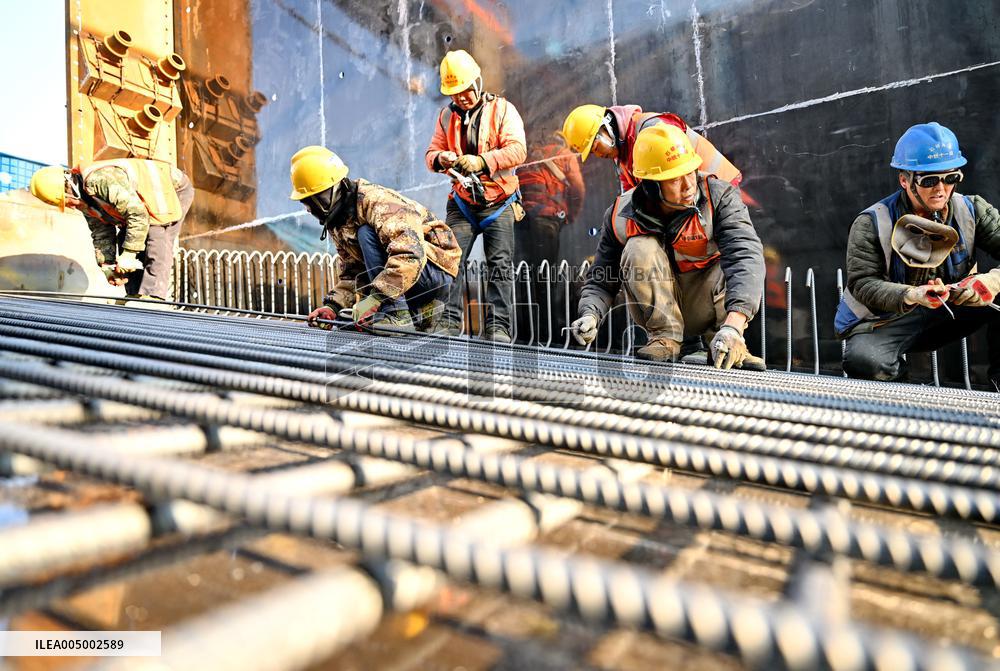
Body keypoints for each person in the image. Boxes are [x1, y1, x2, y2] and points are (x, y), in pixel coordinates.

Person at [569, 125, 765, 369]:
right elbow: (601, 278)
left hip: (712, 311)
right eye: (674, 179)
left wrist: (734, 327)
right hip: (660, 312)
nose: (688, 186)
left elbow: (745, 254)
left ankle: (724, 342)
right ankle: (666, 340)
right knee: (638, 247)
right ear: (651, 185)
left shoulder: (719, 197)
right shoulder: (620, 216)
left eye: (691, 172)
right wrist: (590, 314)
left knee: (738, 261)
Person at [835, 122, 1000, 387]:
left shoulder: (973, 210)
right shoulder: (872, 222)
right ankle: (900, 405)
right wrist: (912, 295)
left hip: (953, 308)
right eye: (929, 180)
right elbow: (863, 284)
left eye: (951, 178)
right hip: (891, 318)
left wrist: (991, 282)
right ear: (904, 180)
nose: (941, 189)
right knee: (865, 359)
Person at [293, 146, 461, 332]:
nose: (310, 209)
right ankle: (404, 312)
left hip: (434, 271)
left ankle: (397, 313)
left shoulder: (376, 202)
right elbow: (353, 273)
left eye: (314, 199)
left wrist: (375, 299)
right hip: (405, 282)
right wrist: (333, 306)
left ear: (333, 189)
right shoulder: (339, 221)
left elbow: (410, 254)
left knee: (366, 233)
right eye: (306, 202)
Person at [424, 49, 526, 343]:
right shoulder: (446, 117)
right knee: (450, 259)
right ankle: (449, 320)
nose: (461, 98)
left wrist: (482, 162)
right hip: (462, 203)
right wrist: (440, 158)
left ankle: (499, 327)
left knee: (500, 266)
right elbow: (430, 153)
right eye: (454, 94)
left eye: (465, 91)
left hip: (499, 201)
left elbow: (518, 150)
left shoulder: (503, 110)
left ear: (477, 83)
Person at [29, 158, 193, 299]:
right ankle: (135, 295)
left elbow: (138, 214)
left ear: (67, 188)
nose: (70, 207)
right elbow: (101, 234)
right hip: (143, 204)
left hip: (171, 187)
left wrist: (129, 255)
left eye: (66, 202)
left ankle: (154, 296)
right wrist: (108, 266)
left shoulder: (98, 181)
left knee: (155, 234)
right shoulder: (84, 200)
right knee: (126, 238)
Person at [561, 103, 742, 194]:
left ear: (606, 127)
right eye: (593, 153)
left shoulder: (651, 129)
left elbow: (677, 182)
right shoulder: (623, 156)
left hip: (721, 190)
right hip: (696, 197)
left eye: (595, 146)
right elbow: (633, 196)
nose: (599, 154)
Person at [515, 131, 586, 267]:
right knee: (546, 270)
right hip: (547, 217)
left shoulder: (529, 156)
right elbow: (578, 188)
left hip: (522, 217)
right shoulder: (565, 154)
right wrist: (571, 215)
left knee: (524, 268)